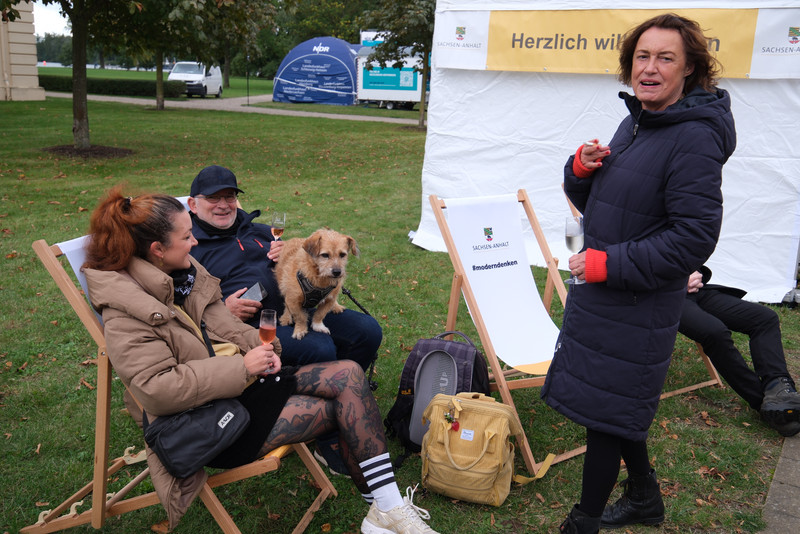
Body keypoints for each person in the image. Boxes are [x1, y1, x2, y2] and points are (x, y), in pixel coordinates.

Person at [82, 189, 438, 534]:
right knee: (340, 410)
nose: (194, 243)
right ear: (158, 250)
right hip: (207, 422)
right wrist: (242, 367)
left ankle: (386, 508)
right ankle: (384, 508)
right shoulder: (125, 312)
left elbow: (223, 323)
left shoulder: (180, 276)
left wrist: (263, 346)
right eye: (187, 236)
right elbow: (156, 391)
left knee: (348, 374)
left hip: (240, 388)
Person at [541, 14, 736, 534]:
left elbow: (693, 237)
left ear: (689, 68)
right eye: (642, 57)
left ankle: (582, 522)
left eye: (665, 58)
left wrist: (609, 264)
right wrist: (581, 170)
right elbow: (605, 203)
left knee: (606, 416)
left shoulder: (693, 138)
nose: (649, 68)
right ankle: (646, 499)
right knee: (615, 405)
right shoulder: (637, 121)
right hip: (604, 296)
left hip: (637, 302)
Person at [186, 164, 383, 475]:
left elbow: (308, 254)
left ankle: (344, 403)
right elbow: (183, 308)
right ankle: (328, 433)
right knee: (319, 348)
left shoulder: (260, 231)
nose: (224, 204)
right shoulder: (191, 247)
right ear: (193, 204)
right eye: (213, 198)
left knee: (366, 331)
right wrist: (224, 309)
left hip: (300, 306)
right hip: (249, 326)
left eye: (230, 196)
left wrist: (290, 250)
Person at [679, 266, 800, 437]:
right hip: (662, 297)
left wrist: (694, 271)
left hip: (695, 291)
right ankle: (764, 403)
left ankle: (778, 386)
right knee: (715, 333)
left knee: (764, 319)